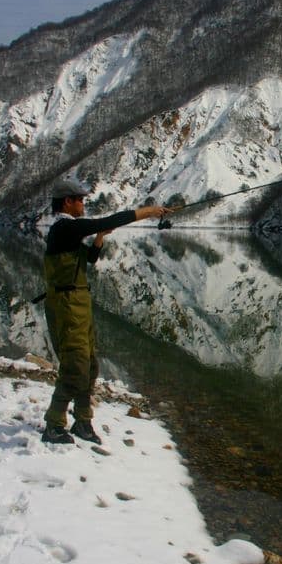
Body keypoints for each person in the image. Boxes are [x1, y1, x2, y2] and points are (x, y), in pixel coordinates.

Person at [40, 176, 172, 444]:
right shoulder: (63, 228)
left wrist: (99, 240)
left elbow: (88, 259)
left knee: (89, 366)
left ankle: (83, 422)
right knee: (75, 366)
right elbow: (107, 221)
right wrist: (148, 212)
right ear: (68, 202)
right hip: (66, 306)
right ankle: (54, 424)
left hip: (79, 304)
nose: (83, 204)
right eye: (80, 200)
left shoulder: (69, 230)